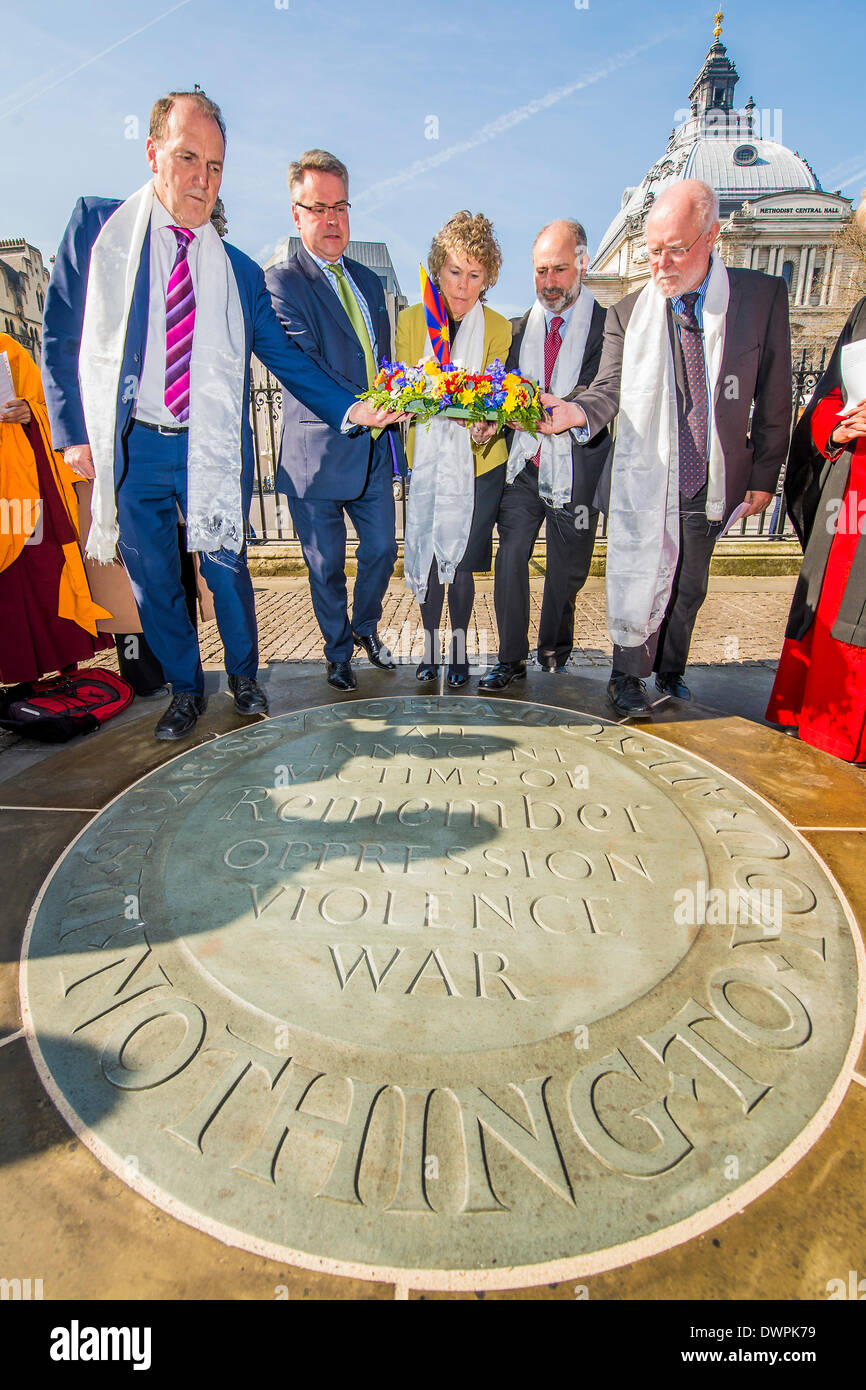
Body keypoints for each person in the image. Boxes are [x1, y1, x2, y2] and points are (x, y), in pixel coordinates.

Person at [41, 97, 397, 740]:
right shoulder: (100, 230)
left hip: (207, 445)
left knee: (227, 569)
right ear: (154, 154)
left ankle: (243, 675)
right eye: (187, 159)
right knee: (154, 582)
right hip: (134, 445)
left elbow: (284, 354)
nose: (203, 178)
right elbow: (63, 332)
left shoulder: (235, 270)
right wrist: (70, 434)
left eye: (215, 165)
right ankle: (184, 688)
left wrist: (350, 407)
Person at [539, 179, 792, 716]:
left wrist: (765, 474)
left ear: (711, 236)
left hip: (714, 475)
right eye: (654, 250)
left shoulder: (759, 298)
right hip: (648, 473)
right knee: (638, 571)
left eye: (677, 249)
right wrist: (576, 411)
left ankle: (671, 670)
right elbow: (609, 387)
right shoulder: (628, 314)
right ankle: (626, 675)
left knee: (689, 583)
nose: (662, 264)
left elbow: (775, 393)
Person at [265, 150, 406, 692]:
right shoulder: (282, 282)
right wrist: (355, 409)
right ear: (296, 215)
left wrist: (401, 395)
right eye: (318, 208)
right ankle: (336, 651)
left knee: (381, 550)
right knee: (325, 568)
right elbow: (304, 367)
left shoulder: (371, 284)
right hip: (316, 456)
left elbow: (379, 359)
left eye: (341, 207)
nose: (332, 220)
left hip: (372, 447)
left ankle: (365, 627)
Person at [479, 219, 610, 690]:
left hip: (577, 469)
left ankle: (554, 647)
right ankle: (509, 660)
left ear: (582, 263)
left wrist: (551, 408)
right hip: (525, 469)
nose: (548, 282)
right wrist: (490, 418)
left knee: (567, 570)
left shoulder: (607, 325)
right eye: (540, 271)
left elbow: (599, 390)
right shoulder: (518, 331)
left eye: (558, 269)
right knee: (510, 556)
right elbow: (498, 394)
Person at [396, 211, 510, 687]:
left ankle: (460, 653)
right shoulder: (410, 320)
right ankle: (428, 648)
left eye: (475, 275)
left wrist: (488, 421)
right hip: (426, 464)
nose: (463, 286)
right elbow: (400, 388)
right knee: (425, 548)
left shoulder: (500, 327)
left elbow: (498, 396)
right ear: (437, 269)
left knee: (461, 561)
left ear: (488, 277)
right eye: (454, 272)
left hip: (480, 465)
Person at [766, 273, 866, 762]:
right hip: (852, 483)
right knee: (831, 598)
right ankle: (819, 718)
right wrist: (840, 425)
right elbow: (828, 395)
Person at [0, 334, 112, 684]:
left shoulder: (7, 349)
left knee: (34, 571)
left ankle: (60, 674)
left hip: (18, 493)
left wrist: (30, 413)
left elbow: (47, 405)